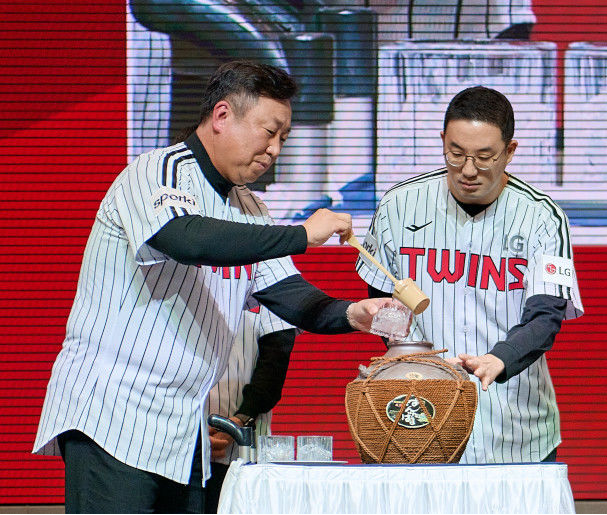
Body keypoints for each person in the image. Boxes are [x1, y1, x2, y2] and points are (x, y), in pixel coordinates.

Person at [32, 60, 391, 513]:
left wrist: (355, 314)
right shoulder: (157, 170)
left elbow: (290, 296)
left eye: (283, 138)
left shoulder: (251, 209)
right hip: (113, 413)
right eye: (269, 132)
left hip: (183, 427)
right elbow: (187, 239)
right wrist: (303, 233)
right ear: (222, 115)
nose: (275, 149)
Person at [356, 86, 583, 464]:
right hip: (422, 422)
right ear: (443, 140)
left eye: (484, 157)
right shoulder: (399, 204)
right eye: (456, 153)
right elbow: (380, 297)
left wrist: (500, 359)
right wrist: (407, 361)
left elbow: (545, 317)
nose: (468, 170)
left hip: (516, 427)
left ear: (510, 151)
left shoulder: (543, 217)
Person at [205, 305, 296, 512]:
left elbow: (275, 363)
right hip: (181, 441)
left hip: (244, 449)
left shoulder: (272, 291)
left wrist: (239, 422)